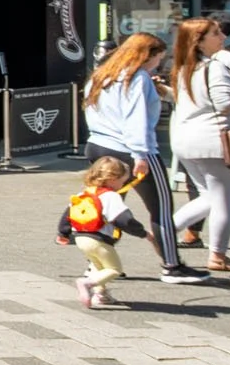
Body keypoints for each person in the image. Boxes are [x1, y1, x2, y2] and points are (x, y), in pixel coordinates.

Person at [81, 32, 197, 284]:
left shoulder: (100, 76)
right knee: (161, 208)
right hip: (130, 150)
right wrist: (139, 153)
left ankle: (97, 263)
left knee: (106, 208)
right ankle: (172, 265)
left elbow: (91, 111)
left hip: (98, 145)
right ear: (147, 55)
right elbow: (137, 119)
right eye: (158, 58)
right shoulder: (138, 78)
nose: (160, 64)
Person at [167, 18, 230, 276]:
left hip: (185, 140)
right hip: (213, 139)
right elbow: (225, 102)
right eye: (215, 34)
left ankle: (165, 232)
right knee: (222, 199)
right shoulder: (214, 67)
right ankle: (217, 254)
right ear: (198, 41)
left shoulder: (181, 69)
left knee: (208, 197)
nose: (222, 37)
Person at [58, 153, 147, 309]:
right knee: (114, 269)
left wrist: (63, 233)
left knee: (99, 267)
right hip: (99, 240)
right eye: (122, 181)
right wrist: (142, 232)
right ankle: (86, 283)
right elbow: (123, 220)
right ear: (113, 179)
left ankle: (101, 296)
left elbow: (67, 214)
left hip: (80, 238)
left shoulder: (84, 193)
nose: (122, 185)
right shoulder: (111, 196)